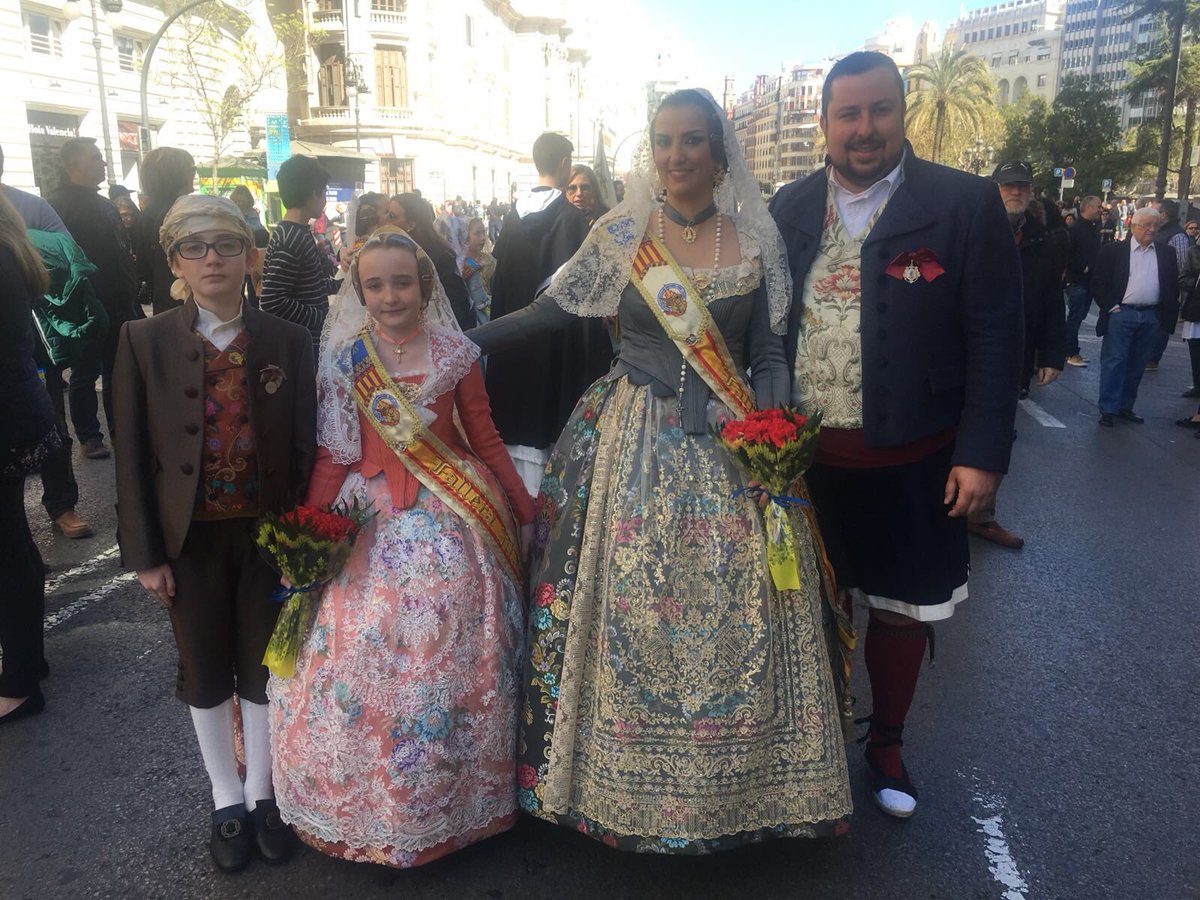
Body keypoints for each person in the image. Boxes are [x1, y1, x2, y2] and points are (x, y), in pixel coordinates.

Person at [467, 88, 852, 852]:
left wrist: (770, 442)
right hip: (629, 439)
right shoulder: (620, 234)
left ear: (719, 152)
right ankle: (603, 781)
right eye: (664, 141)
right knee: (627, 604)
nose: (676, 156)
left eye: (692, 141)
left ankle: (750, 788)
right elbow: (551, 313)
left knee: (738, 611)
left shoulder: (757, 240)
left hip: (731, 443)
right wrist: (461, 339)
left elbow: (768, 354)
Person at [770, 51, 1024, 818]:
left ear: (902, 113)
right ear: (823, 123)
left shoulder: (962, 203)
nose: (864, 128)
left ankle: (886, 743)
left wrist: (982, 455)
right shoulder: (787, 205)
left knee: (899, 609)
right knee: (804, 609)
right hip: (804, 461)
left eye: (879, 110)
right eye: (847, 113)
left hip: (916, 456)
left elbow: (995, 336)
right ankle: (807, 754)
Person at [269, 228, 533, 867]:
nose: (391, 296)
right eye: (376, 285)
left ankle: (454, 802)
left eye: (403, 282)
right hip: (368, 519)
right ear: (359, 291)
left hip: (452, 518)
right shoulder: (344, 358)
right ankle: (361, 801)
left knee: (458, 656)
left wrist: (524, 507)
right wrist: (310, 523)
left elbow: (485, 437)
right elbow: (337, 452)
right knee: (361, 651)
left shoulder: (455, 353)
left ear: (426, 284)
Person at [113, 195, 317, 872]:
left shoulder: (288, 340)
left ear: (249, 255)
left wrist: (301, 541)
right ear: (175, 261)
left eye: (227, 245)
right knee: (204, 667)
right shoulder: (142, 342)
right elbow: (134, 453)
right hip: (189, 540)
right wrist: (145, 554)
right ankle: (225, 797)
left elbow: (304, 449)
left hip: (265, 538)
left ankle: (264, 794)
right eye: (195, 247)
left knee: (264, 666)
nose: (212, 259)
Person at [485, 132, 613, 492]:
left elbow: (501, 284)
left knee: (518, 440)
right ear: (563, 164)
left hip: (512, 346)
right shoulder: (573, 221)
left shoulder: (511, 218)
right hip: (555, 349)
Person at [966, 163, 1065, 551]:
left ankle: (981, 515)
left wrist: (1053, 353)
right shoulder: (970, 226)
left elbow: (1053, 298)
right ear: (994, 189)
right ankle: (941, 507)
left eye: (1022, 187)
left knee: (999, 431)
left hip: (1015, 351)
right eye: (1008, 186)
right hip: (965, 347)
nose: (1015, 193)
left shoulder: (1045, 239)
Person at [0, 191, 60, 726]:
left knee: (9, 550)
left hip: (7, 414)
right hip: (15, 409)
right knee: (12, 543)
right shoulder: (10, 243)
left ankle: (19, 678)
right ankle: (23, 666)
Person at [47, 136, 143, 458]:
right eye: (95, 158)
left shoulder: (105, 204)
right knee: (86, 371)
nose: (103, 163)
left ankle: (121, 431)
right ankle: (90, 436)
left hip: (119, 301)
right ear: (74, 164)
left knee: (119, 370)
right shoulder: (56, 206)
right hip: (85, 305)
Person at [1092, 208, 1179, 426]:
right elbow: (1099, 282)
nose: (1151, 230)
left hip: (1150, 315)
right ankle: (1108, 409)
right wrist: (1111, 307)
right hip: (1122, 313)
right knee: (1115, 362)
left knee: (1137, 364)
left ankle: (1125, 407)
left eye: (1155, 226)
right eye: (1147, 225)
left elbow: (1171, 285)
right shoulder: (1114, 251)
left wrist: (1163, 313)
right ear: (1134, 227)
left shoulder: (1165, 252)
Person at [260, 155, 339, 355]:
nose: (324, 201)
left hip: (309, 341)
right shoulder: (291, 238)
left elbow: (310, 285)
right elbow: (272, 301)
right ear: (314, 193)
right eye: (324, 193)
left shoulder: (297, 232)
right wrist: (322, 316)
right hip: (301, 346)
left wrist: (342, 285)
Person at [387, 193, 474, 330]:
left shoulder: (439, 257)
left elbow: (458, 304)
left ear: (411, 224)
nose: (386, 221)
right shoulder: (389, 252)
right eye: (386, 213)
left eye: (392, 216)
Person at [134, 146, 196, 315]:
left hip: (164, 303)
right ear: (174, 175)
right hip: (192, 301)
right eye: (192, 169)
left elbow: (143, 267)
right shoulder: (188, 211)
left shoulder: (147, 214)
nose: (194, 175)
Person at [1147, 198, 1187, 371]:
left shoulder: (1177, 235)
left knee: (1161, 324)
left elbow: (1182, 264)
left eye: (1154, 211)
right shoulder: (1159, 232)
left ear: (1163, 214)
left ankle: (1152, 358)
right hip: (1151, 283)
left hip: (1165, 288)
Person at [1064, 195, 1104, 367]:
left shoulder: (1091, 228)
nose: (1100, 210)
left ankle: (1072, 350)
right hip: (1077, 280)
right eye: (1098, 206)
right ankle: (1069, 352)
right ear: (1087, 208)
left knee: (1079, 317)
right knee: (1075, 317)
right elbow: (1067, 254)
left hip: (1087, 280)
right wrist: (1082, 267)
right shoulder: (1077, 229)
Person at [1177, 239, 1200, 408]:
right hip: (1196, 306)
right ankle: (1197, 384)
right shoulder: (1194, 251)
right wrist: (1197, 282)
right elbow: (1183, 278)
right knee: (1195, 347)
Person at [459, 216, 495, 326]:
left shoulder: (489, 261)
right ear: (465, 237)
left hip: (489, 313)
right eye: (478, 234)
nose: (483, 238)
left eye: (484, 232)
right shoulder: (460, 265)